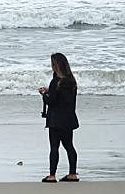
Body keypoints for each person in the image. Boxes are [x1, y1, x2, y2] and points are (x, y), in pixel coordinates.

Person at [38, 53, 79, 183]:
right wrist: (51, 91)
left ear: (56, 65)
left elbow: (52, 101)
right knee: (69, 146)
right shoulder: (71, 81)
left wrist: (44, 94)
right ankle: (72, 173)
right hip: (68, 119)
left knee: (54, 147)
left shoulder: (56, 81)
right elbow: (65, 99)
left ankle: (52, 175)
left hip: (56, 120)